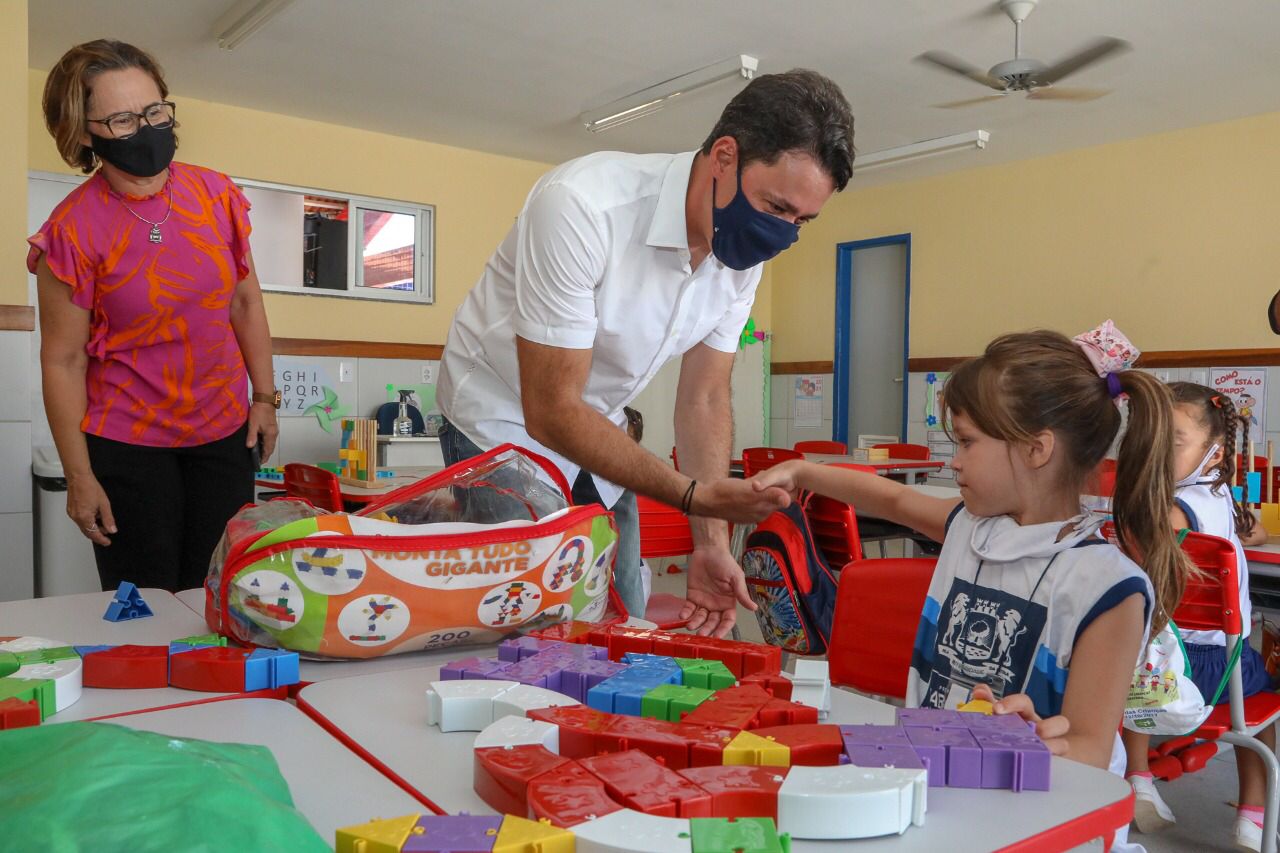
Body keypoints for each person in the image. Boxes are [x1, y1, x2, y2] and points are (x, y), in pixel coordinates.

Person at [436, 69, 856, 636]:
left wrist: (708, 541)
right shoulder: (582, 206)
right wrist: (692, 494)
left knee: (625, 618)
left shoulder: (740, 257)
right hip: (502, 418)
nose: (780, 235)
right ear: (724, 157)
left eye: (801, 221)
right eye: (775, 207)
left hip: (597, 426)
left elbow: (705, 397)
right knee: (522, 627)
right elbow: (551, 409)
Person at [752, 323, 1185, 787]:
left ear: (1036, 449)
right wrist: (803, 471)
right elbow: (891, 499)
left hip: (1044, 811)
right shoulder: (970, 527)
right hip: (942, 787)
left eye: (967, 442)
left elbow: (1090, 750)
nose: (954, 460)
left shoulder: (1108, 588)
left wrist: (1033, 738)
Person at [29, 40, 278, 592]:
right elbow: (64, 361)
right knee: (145, 603)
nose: (146, 128)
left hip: (223, 431)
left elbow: (244, 301)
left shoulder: (216, 196)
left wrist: (263, 398)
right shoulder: (72, 231)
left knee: (223, 592)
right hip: (128, 443)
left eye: (154, 111)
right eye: (121, 119)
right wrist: (80, 477)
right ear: (84, 132)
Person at [1121, 383, 1275, 851]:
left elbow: (1148, 536)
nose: (1158, 453)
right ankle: (1252, 815)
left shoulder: (1169, 508)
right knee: (1265, 713)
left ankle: (1139, 778)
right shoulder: (1216, 494)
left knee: (1136, 670)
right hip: (1221, 671)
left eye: (1174, 443)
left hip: (1156, 676)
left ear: (1213, 451)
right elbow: (1257, 530)